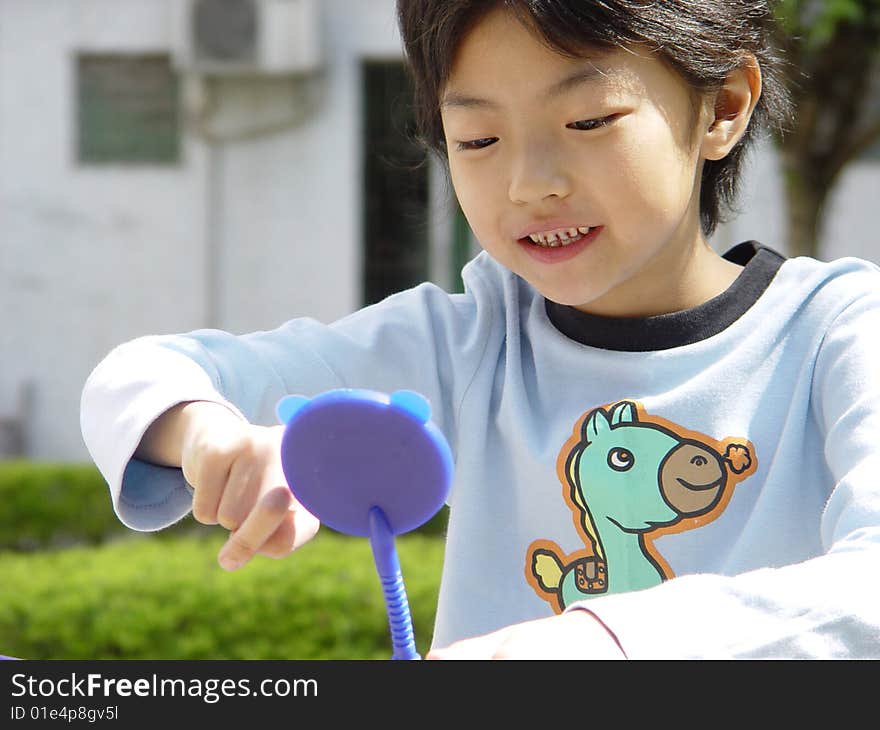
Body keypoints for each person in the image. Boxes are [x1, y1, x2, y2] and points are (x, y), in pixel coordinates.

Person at [80, 0, 880, 659]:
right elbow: (142, 376)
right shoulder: (470, 344)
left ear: (725, 106)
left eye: (590, 121)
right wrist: (208, 436)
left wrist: (599, 642)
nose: (530, 184)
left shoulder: (838, 333)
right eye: (479, 140)